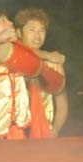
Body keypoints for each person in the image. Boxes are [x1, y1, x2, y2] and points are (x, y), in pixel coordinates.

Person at [0, 3, 64, 140]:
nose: (10, 23)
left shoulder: (14, 50)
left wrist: (49, 56)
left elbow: (30, 52)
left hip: (18, 133)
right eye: (3, 21)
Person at [15, 8, 69, 137]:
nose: (37, 36)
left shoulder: (53, 65)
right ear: (19, 33)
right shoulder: (11, 59)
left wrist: (55, 131)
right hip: (13, 133)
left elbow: (62, 103)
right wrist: (48, 55)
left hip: (43, 132)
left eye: (42, 30)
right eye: (32, 30)